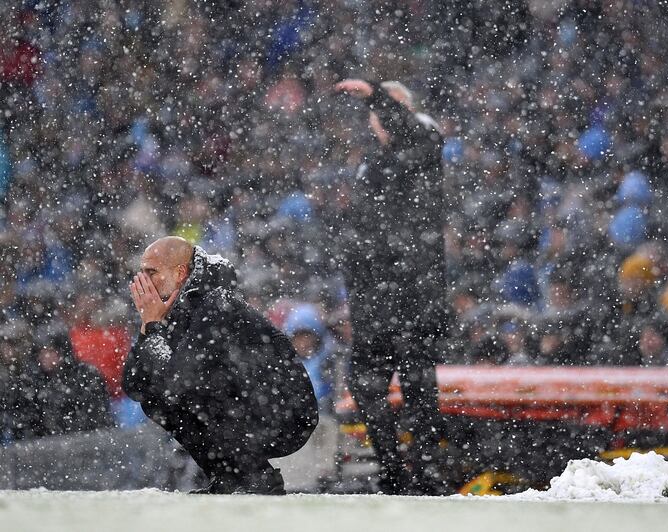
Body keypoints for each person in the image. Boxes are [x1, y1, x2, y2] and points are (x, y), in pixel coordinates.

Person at [122, 236, 318, 495]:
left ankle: (255, 476)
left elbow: (178, 383)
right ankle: (226, 475)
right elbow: (134, 385)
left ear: (180, 273)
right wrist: (148, 328)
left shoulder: (216, 303)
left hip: (285, 412)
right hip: (250, 405)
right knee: (154, 399)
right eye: (142, 272)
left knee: (190, 392)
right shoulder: (171, 309)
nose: (143, 281)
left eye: (152, 272)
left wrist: (155, 328)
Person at [334, 79, 449, 494]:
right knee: (367, 383)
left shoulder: (424, 141)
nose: (379, 119)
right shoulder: (375, 161)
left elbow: (412, 130)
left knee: (417, 388)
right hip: (376, 298)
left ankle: (424, 473)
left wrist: (378, 96)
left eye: (386, 112)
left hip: (413, 295)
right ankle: (396, 471)